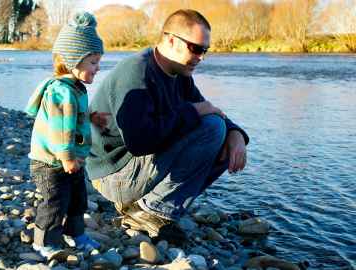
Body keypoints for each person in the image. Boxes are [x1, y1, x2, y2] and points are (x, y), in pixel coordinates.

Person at [86, 9, 249, 241]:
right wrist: (193, 112)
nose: (201, 57)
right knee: (212, 128)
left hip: (133, 169)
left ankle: (152, 207)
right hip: (112, 173)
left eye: (205, 50)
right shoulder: (136, 73)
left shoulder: (179, 75)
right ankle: (151, 210)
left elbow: (207, 108)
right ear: (172, 40)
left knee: (220, 133)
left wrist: (236, 135)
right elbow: (140, 142)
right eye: (196, 49)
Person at [25, 11, 106, 261]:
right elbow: (61, 130)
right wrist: (67, 157)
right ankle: (43, 241)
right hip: (51, 162)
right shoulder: (62, 92)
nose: (97, 67)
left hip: (68, 160)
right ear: (74, 61)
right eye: (93, 62)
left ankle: (76, 234)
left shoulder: (74, 87)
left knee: (77, 200)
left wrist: (91, 118)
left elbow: (74, 118)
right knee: (55, 202)